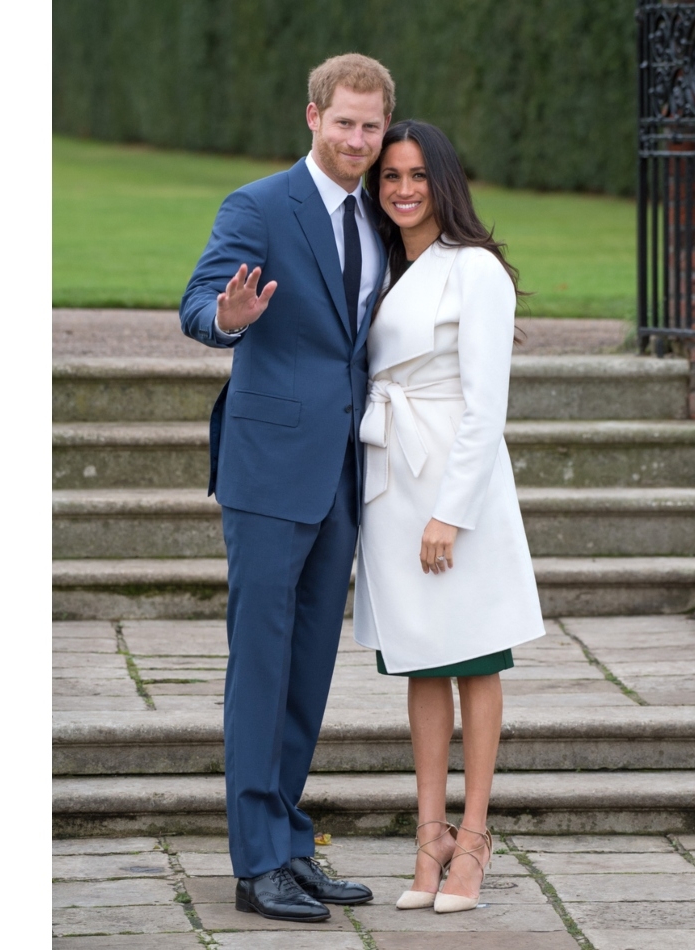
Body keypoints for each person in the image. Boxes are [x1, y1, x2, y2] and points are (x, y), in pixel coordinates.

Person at [180, 53, 394, 923]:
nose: (356, 139)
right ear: (312, 117)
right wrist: (227, 319)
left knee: (306, 669)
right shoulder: (261, 205)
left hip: (343, 472)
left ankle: (289, 842)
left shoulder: (382, 215)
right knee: (261, 665)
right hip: (269, 472)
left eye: (371, 126)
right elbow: (198, 302)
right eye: (343, 121)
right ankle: (255, 862)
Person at [354, 120, 547, 914]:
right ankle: (428, 838)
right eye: (389, 176)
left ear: (444, 182)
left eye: (416, 176)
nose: (401, 189)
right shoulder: (375, 266)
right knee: (421, 660)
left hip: (452, 485)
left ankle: (472, 840)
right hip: (390, 480)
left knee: (475, 656)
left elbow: (485, 404)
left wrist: (451, 513)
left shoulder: (476, 271)